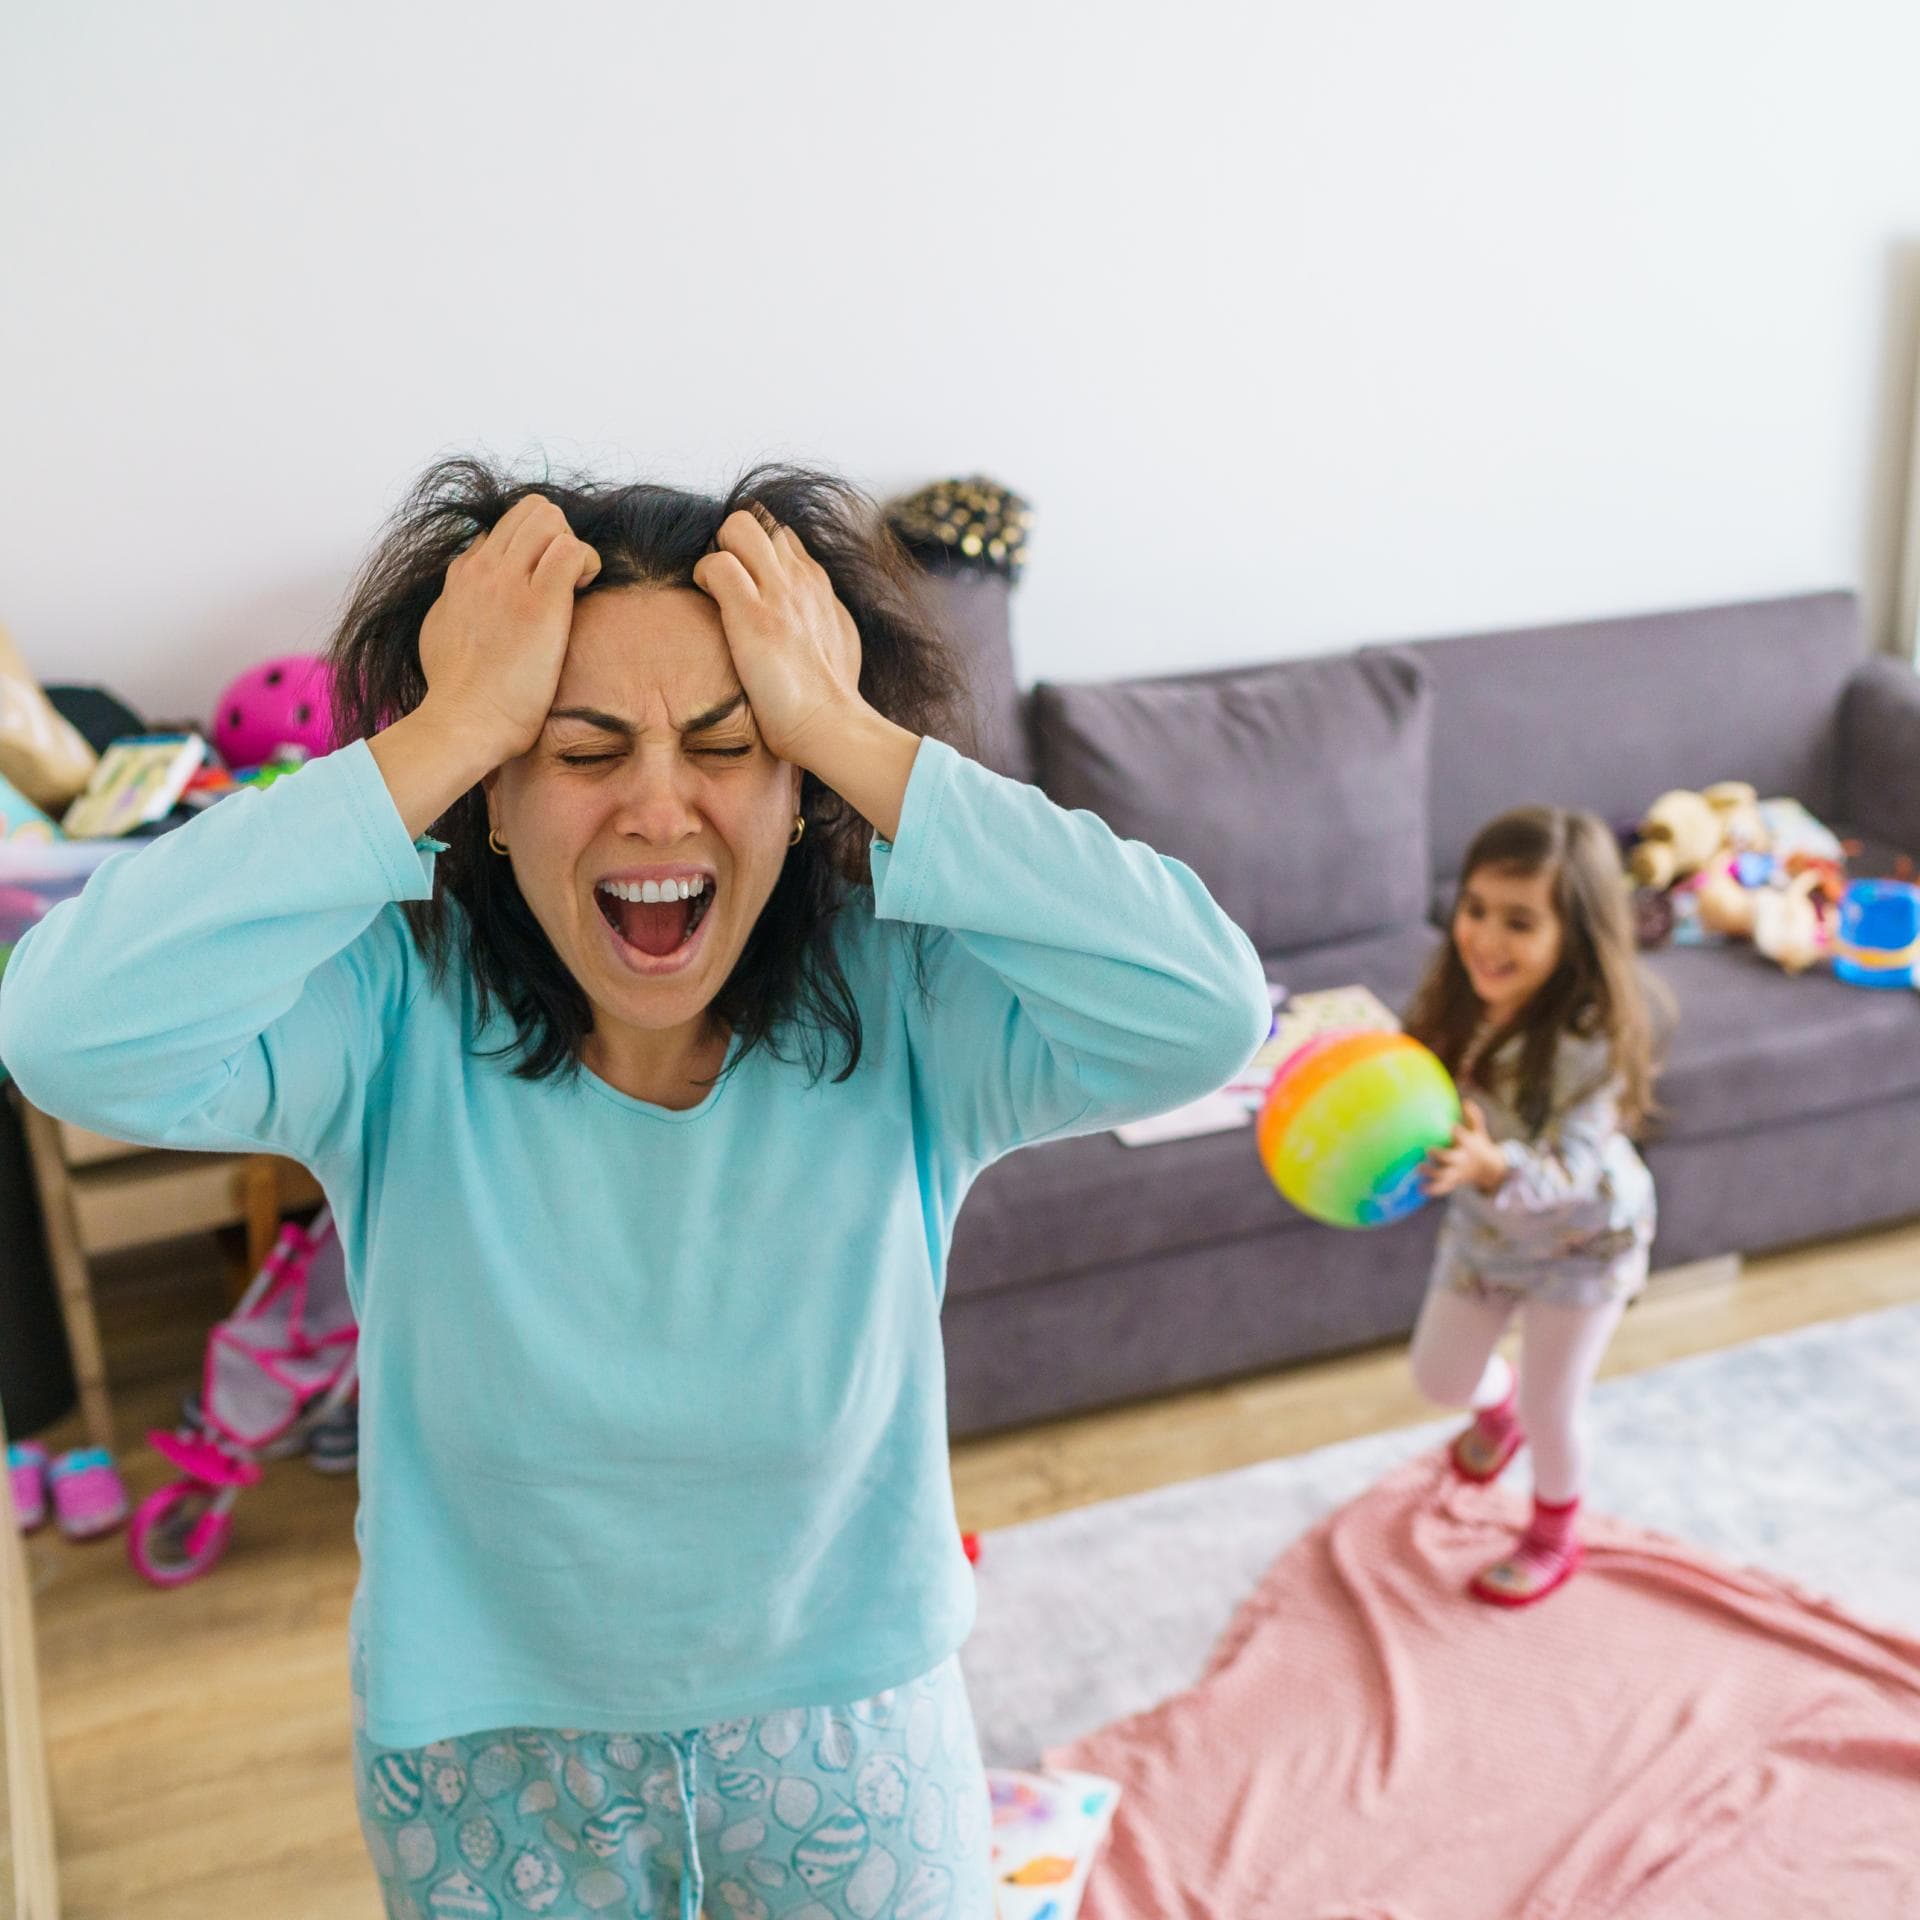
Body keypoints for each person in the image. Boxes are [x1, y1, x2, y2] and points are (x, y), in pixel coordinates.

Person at [0, 458, 1269, 1917]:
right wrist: (450, 727)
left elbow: (1206, 1009)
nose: (659, 805)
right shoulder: (394, 1007)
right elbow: (61, 1032)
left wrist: (850, 733)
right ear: (491, 795)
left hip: (849, 1732)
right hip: (487, 1756)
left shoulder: (909, 1002)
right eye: (581, 748)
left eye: (730, 744)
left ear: (799, 784)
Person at [1405, 806, 1660, 1608]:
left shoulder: (1592, 1042)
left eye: (1519, 922)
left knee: (1558, 1407)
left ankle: (1555, 1532)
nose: (1484, 937)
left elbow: (1572, 1171)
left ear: (1573, 938)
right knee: (1441, 1379)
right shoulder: (1459, 1000)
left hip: (1584, 1245)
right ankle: (1498, 1410)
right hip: (1487, 1232)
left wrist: (1492, 1165)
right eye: (1475, 910)